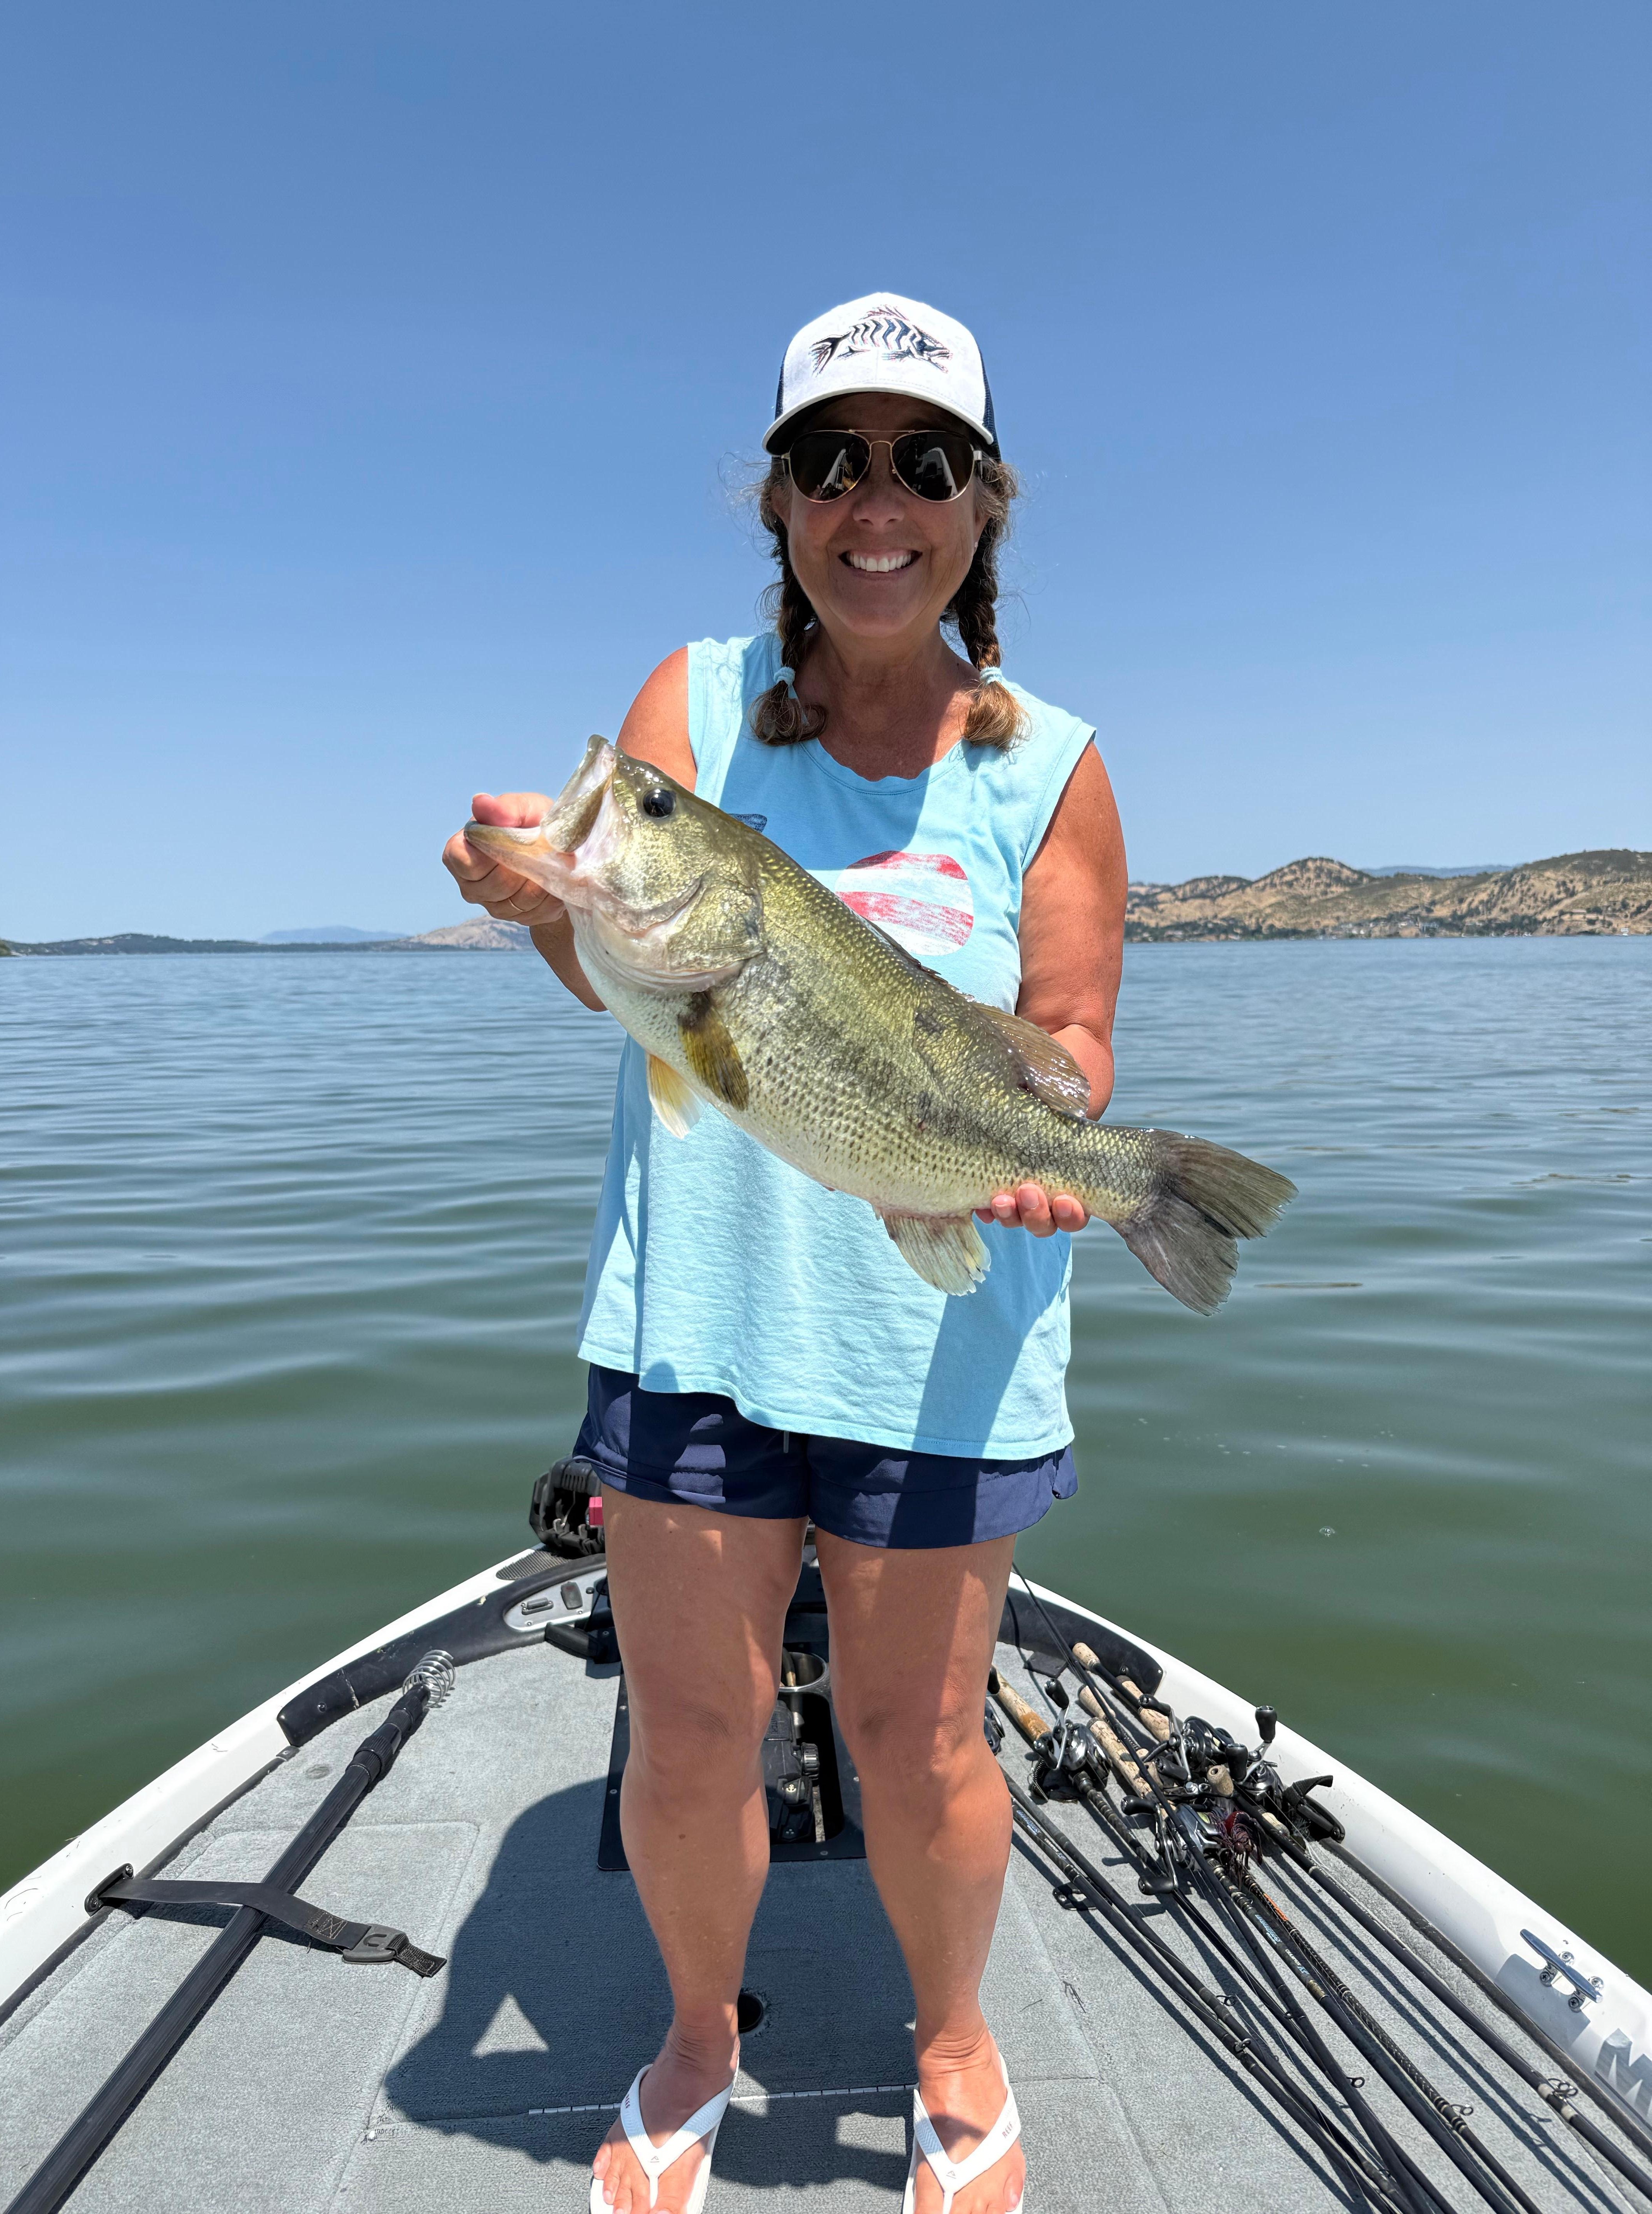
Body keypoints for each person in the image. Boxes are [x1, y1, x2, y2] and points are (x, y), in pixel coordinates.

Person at [444, 293, 1127, 2214]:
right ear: (779, 498)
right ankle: (695, 2035)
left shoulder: (1056, 767)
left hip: (943, 1338)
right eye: (832, 461)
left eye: (924, 462)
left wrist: (1062, 1146)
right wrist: (540, 897)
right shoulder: (688, 701)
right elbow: (634, 977)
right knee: (689, 1740)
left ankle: (953, 2041)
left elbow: (1072, 1042)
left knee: (924, 1748)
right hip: (701, 1333)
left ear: (985, 502)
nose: (874, 503)